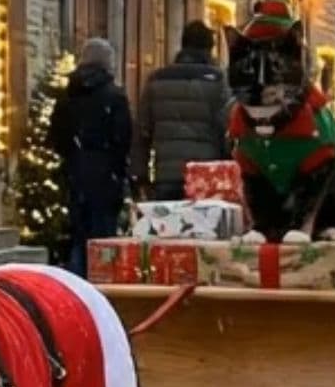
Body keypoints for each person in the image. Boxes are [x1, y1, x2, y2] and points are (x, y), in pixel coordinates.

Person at [49, 37, 132, 277]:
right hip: (106, 175)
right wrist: (118, 170)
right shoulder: (114, 97)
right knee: (104, 237)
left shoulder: (68, 95)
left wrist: (73, 158)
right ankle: (103, 284)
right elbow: (123, 138)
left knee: (79, 234)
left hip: (76, 172)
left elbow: (57, 135)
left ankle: (79, 283)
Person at [131, 19, 230, 199]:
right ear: (209, 49)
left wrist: (141, 176)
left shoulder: (156, 80)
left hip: (166, 175)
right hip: (206, 174)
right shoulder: (218, 81)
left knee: (167, 225)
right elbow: (226, 129)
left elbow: (142, 132)